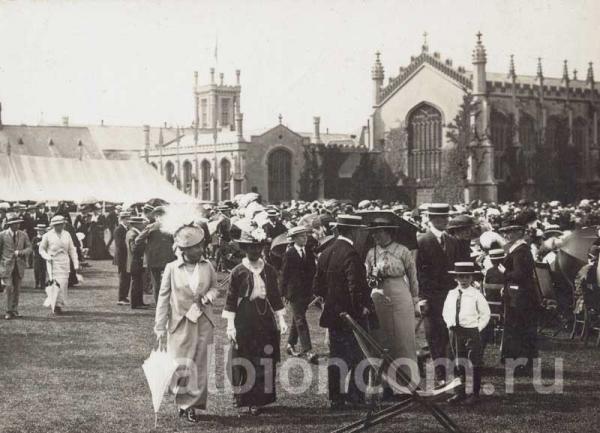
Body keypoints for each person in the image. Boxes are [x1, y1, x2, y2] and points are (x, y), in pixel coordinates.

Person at [155, 224, 219, 423]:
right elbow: (163, 298)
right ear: (183, 249)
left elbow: (216, 288)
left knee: (199, 366)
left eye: (201, 246)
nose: (201, 249)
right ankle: (181, 398)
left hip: (203, 322)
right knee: (180, 365)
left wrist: (207, 297)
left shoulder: (207, 266)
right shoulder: (171, 269)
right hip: (180, 323)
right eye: (195, 247)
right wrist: (159, 327)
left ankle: (191, 406)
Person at [222, 226, 287, 416]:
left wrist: (281, 319)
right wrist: (230, 325)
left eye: (258, 247)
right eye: (251, 248)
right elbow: (231, 300)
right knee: (245, 358)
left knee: (264, 357)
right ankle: (245, 398)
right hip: (245, 317)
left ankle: (260, 399)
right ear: (244, 248)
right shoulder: (238, 271)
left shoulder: (269, 270)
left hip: (265, 317)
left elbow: (275, 296)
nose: (255, 251)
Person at [313, 214, 372, 410]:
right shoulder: (351, 254)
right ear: (354, 231)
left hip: (333, 314)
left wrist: (331, 302)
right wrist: (359, 308)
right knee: (360, 355)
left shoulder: (326, 252)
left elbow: (317, 287)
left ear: (338, 229)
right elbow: (355, 286)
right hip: (351, 316)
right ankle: (355, 396)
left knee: (337, 356)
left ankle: (335, 397)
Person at [365, 215, 420, 392]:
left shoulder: (403, 251)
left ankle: (408, 382)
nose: (375, 236)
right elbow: (366, 277)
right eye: (373, 233)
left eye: (378, 232)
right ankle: (385, 383)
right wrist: (371, 277)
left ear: (388, 232)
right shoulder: (371, 252)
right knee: (382, 339)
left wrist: (415, 299)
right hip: (378, 296)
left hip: (400, 294)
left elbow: (413, 277)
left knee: (404, 338)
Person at [416, 203, 464, 387]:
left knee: (449, 335)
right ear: (432, 220)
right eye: (441, 218)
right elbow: (418, 273)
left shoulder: (452, 241)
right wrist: (421, 298)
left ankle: (449, 372)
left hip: (450, 295)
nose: (445, 221)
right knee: (434, 335)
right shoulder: (421, 241)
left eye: (446, 217)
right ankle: (440, 375)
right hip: (431, 296)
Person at [442, 262, 490, 405]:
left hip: (471, 331)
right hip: (455, 331)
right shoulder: (451, 294)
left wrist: (477, 328)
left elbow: (485, 314)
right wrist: (450, 324)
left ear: (471, 278)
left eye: (467, 277)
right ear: (455, 278)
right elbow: (446, 311)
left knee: (474, 361)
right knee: (457, 361)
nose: (463, 280)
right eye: (460, 277)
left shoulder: (476, 295)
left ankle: (475, 393)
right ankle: (460, 392)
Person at [498, 215, 540, 374]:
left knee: (520, 329)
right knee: (519, 329)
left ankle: (522, 365)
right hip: (517, 295)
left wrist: (504, 273)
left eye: (511, 232)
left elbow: (520, 274)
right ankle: (519, 363)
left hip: (522, 297)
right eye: (506, 232)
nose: (507, 235)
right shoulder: (516, 249)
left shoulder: (521, 250)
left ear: (519, 232)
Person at [281, 225, 318, 362]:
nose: (305, 238)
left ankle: (290, 344)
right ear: (295, 239)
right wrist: (283, 292)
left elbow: (313, 271)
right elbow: (284, 274)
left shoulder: (308, 251)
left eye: (306, 236)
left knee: (297, 319)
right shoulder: (289, 253)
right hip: (294, 293)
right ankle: (308, 350)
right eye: (302, 236)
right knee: (301, 320)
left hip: (307, 292)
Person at [39, 215, 79, 315]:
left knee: (64, 284)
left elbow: (72, 249)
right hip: (53, 262)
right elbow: (41, 249)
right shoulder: (47, 235)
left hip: (64, 262)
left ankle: (58, 304)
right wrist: (47, 257)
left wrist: (76, 263)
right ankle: (55, 305)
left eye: (62, 224)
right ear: (53, 225)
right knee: (56, 284)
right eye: (58, 225)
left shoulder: (67, 234)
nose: (60, 227)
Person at [135, 206, 175, 304]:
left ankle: (159, 305)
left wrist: (148, 246)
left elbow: (137, 240)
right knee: (170, 282)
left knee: (156, 283)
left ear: (156, 216)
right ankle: (170, 303)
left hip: (154, 259)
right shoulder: (171, 227)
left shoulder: (151, 226)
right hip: (169, 258)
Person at [0, 214, 32, 319]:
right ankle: (8, 311)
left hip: (19, 266)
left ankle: (14, 310)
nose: (17, 225)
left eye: (18, 223)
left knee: (17, 289)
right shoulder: (2, 235)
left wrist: (21, 252)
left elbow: (29, 248)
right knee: (8, 288)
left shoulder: (23, 235)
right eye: (15, 223)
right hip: (6, 266)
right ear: (10, 224)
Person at [126, 216, 149, 309]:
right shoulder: (134, 234)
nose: (143, 225)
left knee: (138, 282)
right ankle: (136, 303)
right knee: (136, 283)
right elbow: (134, 248)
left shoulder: (131, 232)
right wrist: (144, 248)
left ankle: (139, 302)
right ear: (136, 224)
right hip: (136, 261)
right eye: (141, 223)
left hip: (135, 261)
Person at [113, 211, 131, 305]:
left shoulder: (125, 229)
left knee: (126, 277)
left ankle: (124, 296)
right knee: (123, 277)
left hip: (125, 256)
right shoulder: (119, 229)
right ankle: (121, 298)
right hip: (122, 257)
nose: (128, 220)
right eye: (127, 219)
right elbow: (120, 245)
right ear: (122, 219)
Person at [32, 224, 48, 290]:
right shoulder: (35, 238)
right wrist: (37, 244)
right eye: (38, 230)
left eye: (41, 231)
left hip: (44, 256)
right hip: (37, 256)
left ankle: (42, 284)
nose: (39, 232)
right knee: (36, 270)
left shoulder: (46, 238)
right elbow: (32, 247)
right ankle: (37, 283)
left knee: (43, 270)